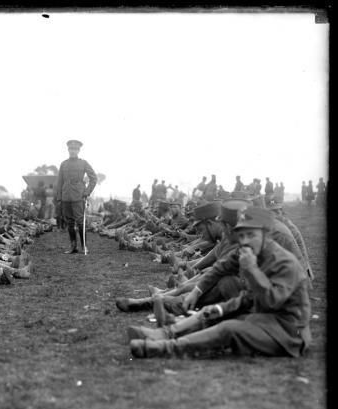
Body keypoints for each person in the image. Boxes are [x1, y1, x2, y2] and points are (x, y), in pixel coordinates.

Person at [128, 206, 312, 359]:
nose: (245, 240)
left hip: (288, 333)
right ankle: (165, 332)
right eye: (242, 235)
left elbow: (272, 301)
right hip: (263, 318)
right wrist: (214, 305)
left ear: (266, 234)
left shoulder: (285, 263)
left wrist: (252, 271)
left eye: (251, 234)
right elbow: (235, 283)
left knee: (228, 328)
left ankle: (165, 348)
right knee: (211, 314)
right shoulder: (251, 251)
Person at [55, 139, 97, 254]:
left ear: (78, 150)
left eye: (75, 149)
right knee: (69, 222)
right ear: (68, 150)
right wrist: (59, 197)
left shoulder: (83, 163)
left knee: (80, 222)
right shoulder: (63, 164)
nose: (73, 151)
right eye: (71, 149)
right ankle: (73, 246)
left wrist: (87, 192)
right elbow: (59, 182)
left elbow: (94, 178)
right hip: (66, 197)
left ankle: (84, 246)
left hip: (78, 196)